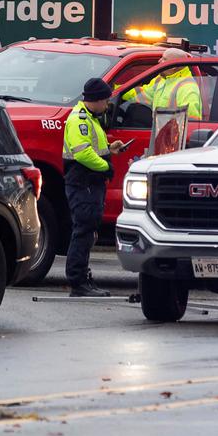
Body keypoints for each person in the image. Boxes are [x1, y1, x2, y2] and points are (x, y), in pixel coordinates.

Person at [63, 76, 126, 297]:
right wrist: (105, 167)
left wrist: (110, 149)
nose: (107, 105)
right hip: (84, 183)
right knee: (84, 231)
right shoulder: (80, 119)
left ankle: (81, 279)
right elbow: (82, 153)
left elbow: (91, 148)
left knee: (88, 232)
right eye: (106, 100)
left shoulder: (90, 118)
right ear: (97, 100)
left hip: (88, 183)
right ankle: (78, 283)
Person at [123, 48, 204, 121]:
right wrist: (115, 90)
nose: (159, 61)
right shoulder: (161, 79)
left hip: (171, 135)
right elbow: (141, 94)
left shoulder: (187, 88)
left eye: (164, 59)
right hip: (160, 132)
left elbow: (191, 121)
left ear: (173, 66)